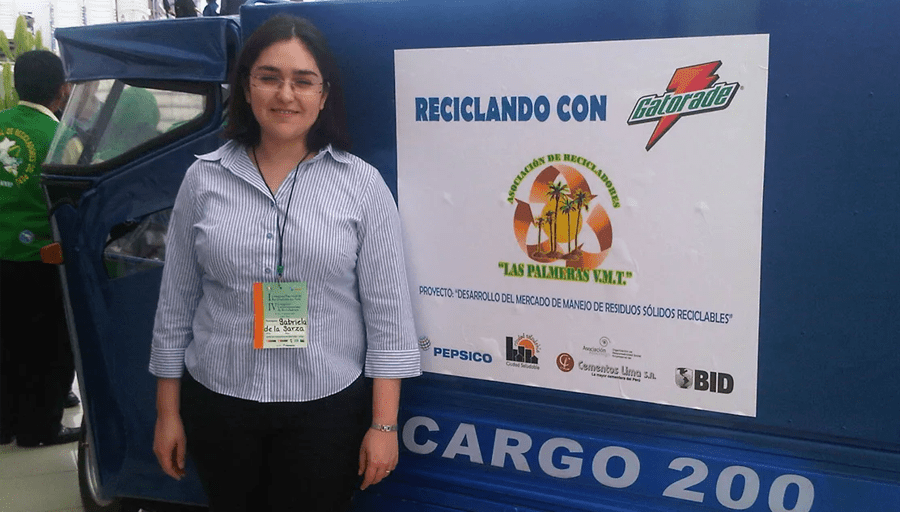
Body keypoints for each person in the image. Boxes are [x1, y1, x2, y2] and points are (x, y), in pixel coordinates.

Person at [150, 14, 420, 512]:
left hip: (326, 408)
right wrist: (169, 413)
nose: (285, 95)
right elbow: (175, 307)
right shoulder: (204, 180)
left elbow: (389, 315)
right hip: (220, 399)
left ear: (323, 94)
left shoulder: (361, 185)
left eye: (303, 80)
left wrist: (384, 426)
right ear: (246, 86)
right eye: (269, 77)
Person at [0, 50, 79, 447]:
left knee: (5, 342)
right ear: (63, 91)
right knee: (48, 347)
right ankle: (39, 428)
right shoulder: (61, 139)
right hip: (40, 262)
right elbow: (76, 202)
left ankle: (3, 424)